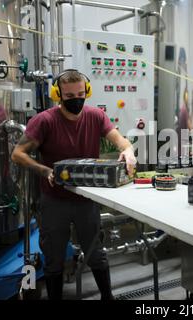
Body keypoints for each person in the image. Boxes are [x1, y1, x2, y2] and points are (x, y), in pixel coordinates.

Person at [11, 69, 136, 300]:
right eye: (69, 96)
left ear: (87, 91)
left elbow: (121, 141)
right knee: (54, 259)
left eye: (81, 94)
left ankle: (107, 297)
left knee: (96, 253)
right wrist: (46, 170)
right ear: (58, 95)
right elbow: (17, 154)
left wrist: (128, 151)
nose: (77, 100)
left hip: (87, 200)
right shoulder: (45, 121)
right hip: (54, 201)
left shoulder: (96, 116)